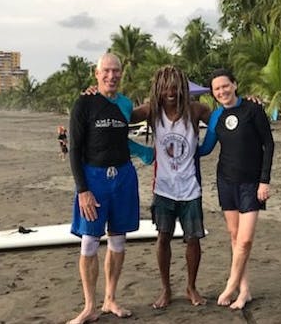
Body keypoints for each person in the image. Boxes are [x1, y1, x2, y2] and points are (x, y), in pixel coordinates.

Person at [67, 52, 149, 324]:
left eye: (116, 71)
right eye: (106, 71)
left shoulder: (125, 104)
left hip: (123, 177)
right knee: (89, 242)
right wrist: (83, 190)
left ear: (121, 74)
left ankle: (110, 298)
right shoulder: (84, 103)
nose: (111, 76)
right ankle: (89, 306)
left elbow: (146, 115)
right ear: (96, 73)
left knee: (118, 240)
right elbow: (75, 150)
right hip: (94, 179)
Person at [131, 65, 212, 309]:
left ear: (183, 88)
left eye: (175, 86)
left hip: (190, 188)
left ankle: (191, 287)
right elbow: (122, 117)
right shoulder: (152, 111)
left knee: (193, 239)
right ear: (158, 88)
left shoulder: (196, 110)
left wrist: (244, 103)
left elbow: (226, 121)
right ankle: (166, 289)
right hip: (163, 188)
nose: (170, 91)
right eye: (165, 86)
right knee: (163, 238)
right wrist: (100, 96)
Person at [199, 68, 274, 310]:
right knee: (234, 237)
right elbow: (206, 148)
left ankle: (231, 284)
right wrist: (177, 150)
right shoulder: (216, 117)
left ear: (235, 84)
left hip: (252, 183)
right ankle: (244, 291)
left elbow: (268, 145)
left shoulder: (253, 109)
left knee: (245, 241)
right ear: (213, 93)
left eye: (225, 86)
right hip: (226, 182)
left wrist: (265, 180)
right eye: (217, 89)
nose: (222, 91)